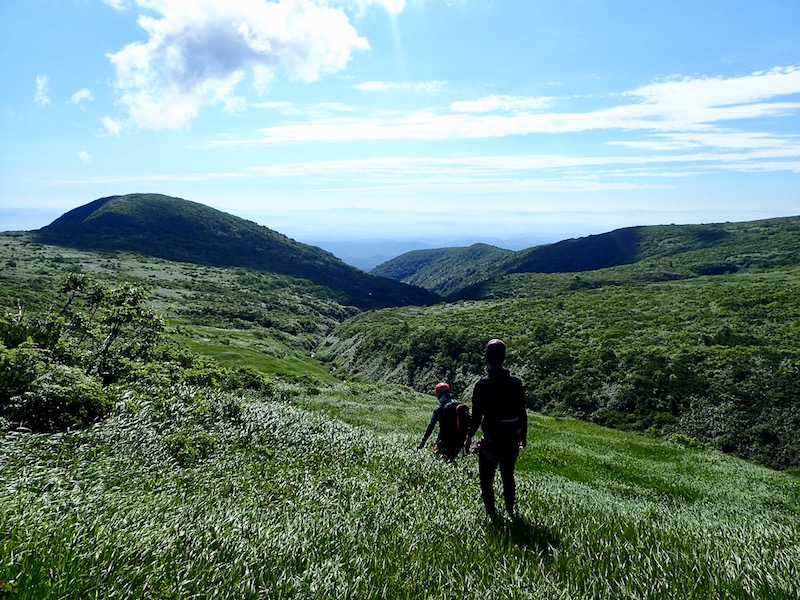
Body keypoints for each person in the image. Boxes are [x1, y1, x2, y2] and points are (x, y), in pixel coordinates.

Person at [466, 338, 528, 517]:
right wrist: (523, 435)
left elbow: (477, 415)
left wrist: (469, 436)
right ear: (503, 358)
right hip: (511, 439)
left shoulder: (482, 384)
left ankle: (492, 514)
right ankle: (510, 511)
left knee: (487, 479)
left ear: (486, 358)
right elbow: (522, 411)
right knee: (508, 477)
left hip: (492, 439)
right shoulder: (515, 383)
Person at [418, 382, 467, 462]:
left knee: (437, 461)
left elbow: (431, 427)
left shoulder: (439, 409)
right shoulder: (459, 406)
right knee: (451, 461)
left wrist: (423, 442)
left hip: (445, 442)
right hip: (459, 442)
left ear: (439, 395)